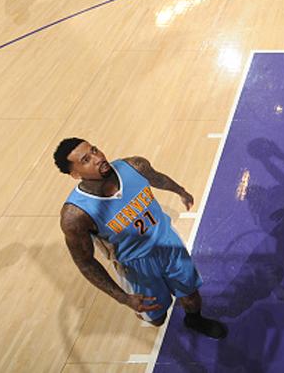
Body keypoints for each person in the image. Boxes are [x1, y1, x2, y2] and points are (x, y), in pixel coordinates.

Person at [54, 138, 227, 339]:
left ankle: (194, 320)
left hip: (168, 243)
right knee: (157, 318)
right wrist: (124, 298)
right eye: (86, 159)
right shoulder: (75, 215)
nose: (98, 157)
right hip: (136, 266)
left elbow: (157, 178)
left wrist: (180, 191)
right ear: (75, 174)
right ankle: (145, 314)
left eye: (94, 150)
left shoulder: (134, 166)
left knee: (191, 295)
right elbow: (85, 263)